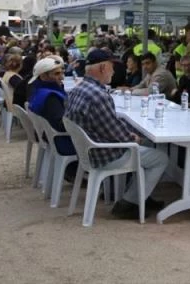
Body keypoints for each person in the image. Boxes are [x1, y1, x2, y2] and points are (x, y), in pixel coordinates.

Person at [65, 49, 169, 219]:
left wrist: (131, 134)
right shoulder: (99, 95)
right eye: (112, 67)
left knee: (147, 143)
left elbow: (108, 125)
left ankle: (142, 193)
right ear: (103, 68)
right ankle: (129, 203)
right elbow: (116, 133)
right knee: (160, 158)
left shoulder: (78, 89)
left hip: (87, 150)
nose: (114, 71)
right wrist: (132, 137)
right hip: (105, 155)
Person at [28, 57, 75, 157]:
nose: (62, 77)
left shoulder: (38, 91)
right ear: (43, 76)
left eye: (62, 73)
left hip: (50, 137)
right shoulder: (50, 97)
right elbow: (61, 125)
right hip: (64, 142)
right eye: (57, 74)